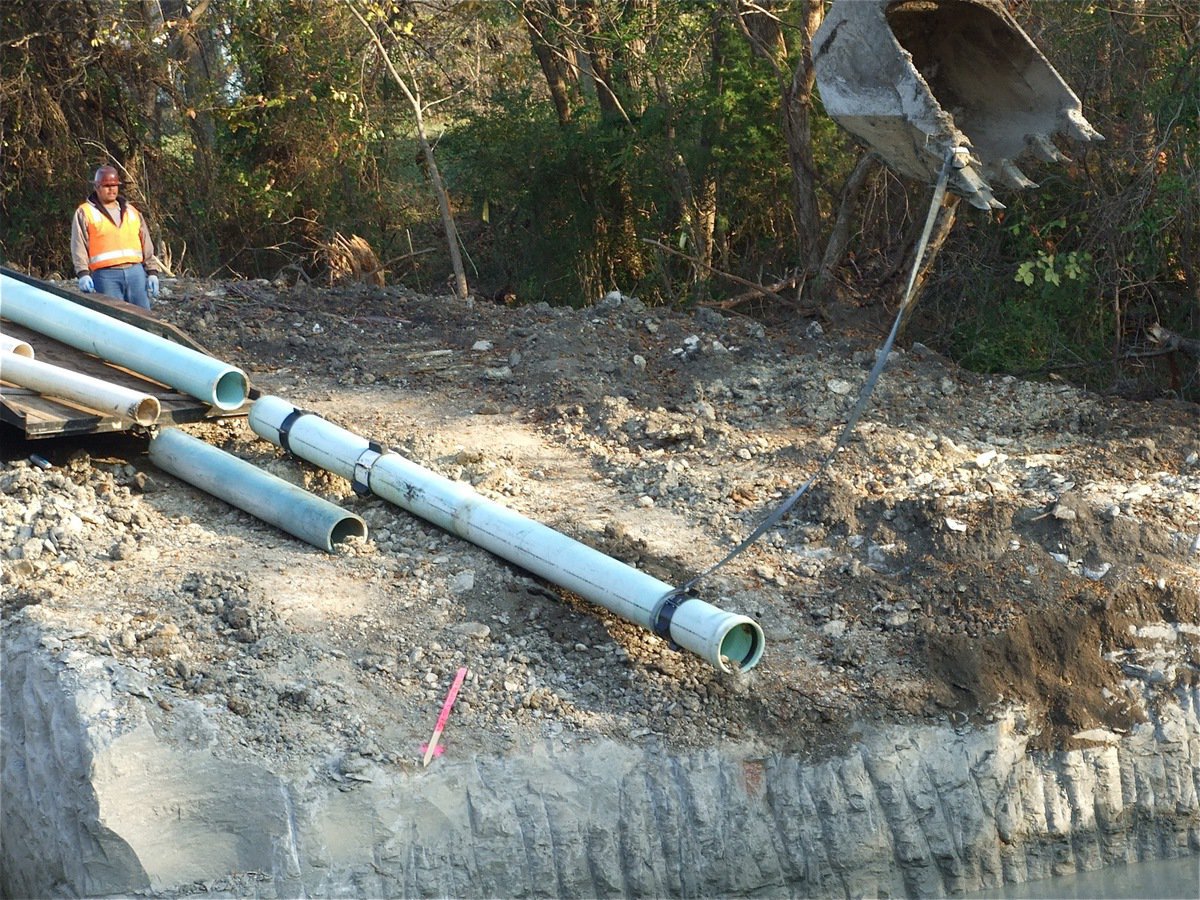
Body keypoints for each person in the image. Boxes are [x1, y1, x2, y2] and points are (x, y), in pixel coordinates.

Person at [71, 165, 163, 310]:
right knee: (115, 320)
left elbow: (145, 243)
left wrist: (152, 272)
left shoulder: (131, 212)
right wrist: (83, 273)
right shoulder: (85, 212)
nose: (111, 189)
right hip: (106, 276)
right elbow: (78, 245)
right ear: (97, 187)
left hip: (136, 273)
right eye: (107, 186)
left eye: (114, 185)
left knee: (143, 317)